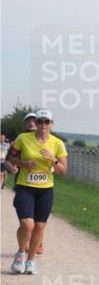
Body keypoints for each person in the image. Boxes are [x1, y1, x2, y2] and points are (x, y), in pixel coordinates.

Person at [7, 110, 67, 275]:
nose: (43, 125)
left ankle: (31, 261)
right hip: (25, 187)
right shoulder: (23, 138)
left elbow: (63, 171)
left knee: (39, 227)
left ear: (51, 124)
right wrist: (23, 163)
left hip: (45, 190)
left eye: (46, 122)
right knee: (27, 224)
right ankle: (20, 254)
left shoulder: (57, 143)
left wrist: (53, 160)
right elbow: (10, 158)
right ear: (36, 123)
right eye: (40, 121)